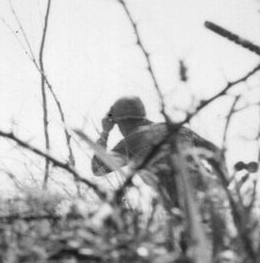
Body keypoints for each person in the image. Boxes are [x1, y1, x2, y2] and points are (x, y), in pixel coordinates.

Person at [90, 94, 231, 219]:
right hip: (213, 193)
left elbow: (98, 169)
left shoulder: (132, 140)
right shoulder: (178, 128)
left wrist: (105, 133)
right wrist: (222, 183)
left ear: (120, 123)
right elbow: (217, 153)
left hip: (181, 204)